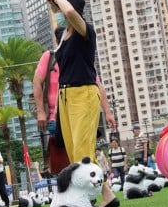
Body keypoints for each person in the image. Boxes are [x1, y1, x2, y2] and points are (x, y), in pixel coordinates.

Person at [46, 0, 119, 207]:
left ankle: (88, 199)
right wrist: (54, 3)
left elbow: (67, 10)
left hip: (83, 94)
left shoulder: (85, 32)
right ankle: (106, 194)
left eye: (62, 9)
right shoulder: (64, 36)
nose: (59, 14)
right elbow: (61, 11)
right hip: (66, 96)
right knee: (75, 153)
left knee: (82, 151)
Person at [33, 26, 116, 176]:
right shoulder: (50, 57)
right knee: (68, 155)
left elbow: (96, 84)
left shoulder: (78, 58)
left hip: (80, 110)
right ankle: (85, 187)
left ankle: (96, 188)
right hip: (55, 117)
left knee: (82, 151)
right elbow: (37, 82)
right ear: (59, 41)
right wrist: (40, 111)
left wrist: (108, 112)